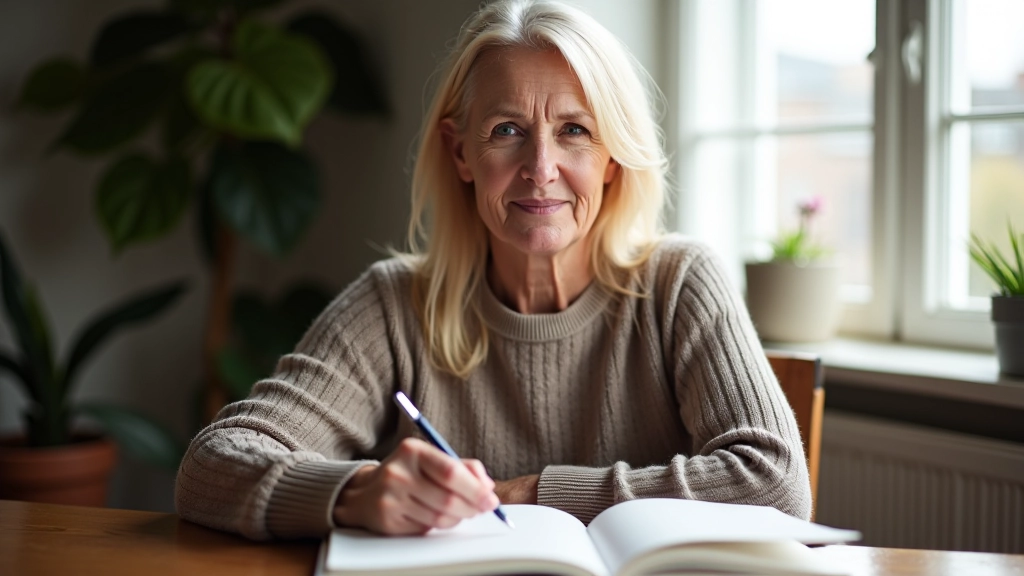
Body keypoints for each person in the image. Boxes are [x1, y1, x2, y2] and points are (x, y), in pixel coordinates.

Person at [175, 0, 811, 540]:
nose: (540, 166)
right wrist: (354, 491)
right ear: (461, 153)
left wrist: (528, 493)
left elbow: (776, 486)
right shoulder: (395, 304)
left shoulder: (679, 284)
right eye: (507, 129)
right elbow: (210, 465)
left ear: (613, 157)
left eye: (574, 131)